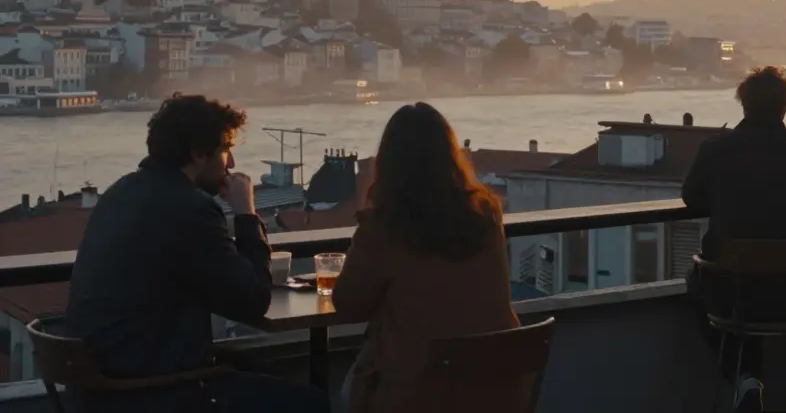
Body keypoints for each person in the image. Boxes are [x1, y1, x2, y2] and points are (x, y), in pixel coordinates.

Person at [65, 94, 329, 413]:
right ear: (198, 153)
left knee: (261, 370)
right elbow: (253, 300)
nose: (230, 164)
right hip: (152, 390)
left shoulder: (121, 191)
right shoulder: (189, 208)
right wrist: (246, 212)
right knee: (311, 404)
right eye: (225, 150)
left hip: (99, 385)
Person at [333, 103, 520, 413]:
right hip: (496, 391)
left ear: (389, 163)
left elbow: (348, 303)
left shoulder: (385, 225)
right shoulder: (485, 212)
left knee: (345, 392)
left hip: (418, 394)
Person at [682, 66, 786, 413]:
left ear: (744, 105)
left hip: (731, 295)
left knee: (696, 279)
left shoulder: (716, 149)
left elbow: (692, 197)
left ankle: (744, 376)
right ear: (784, 107)